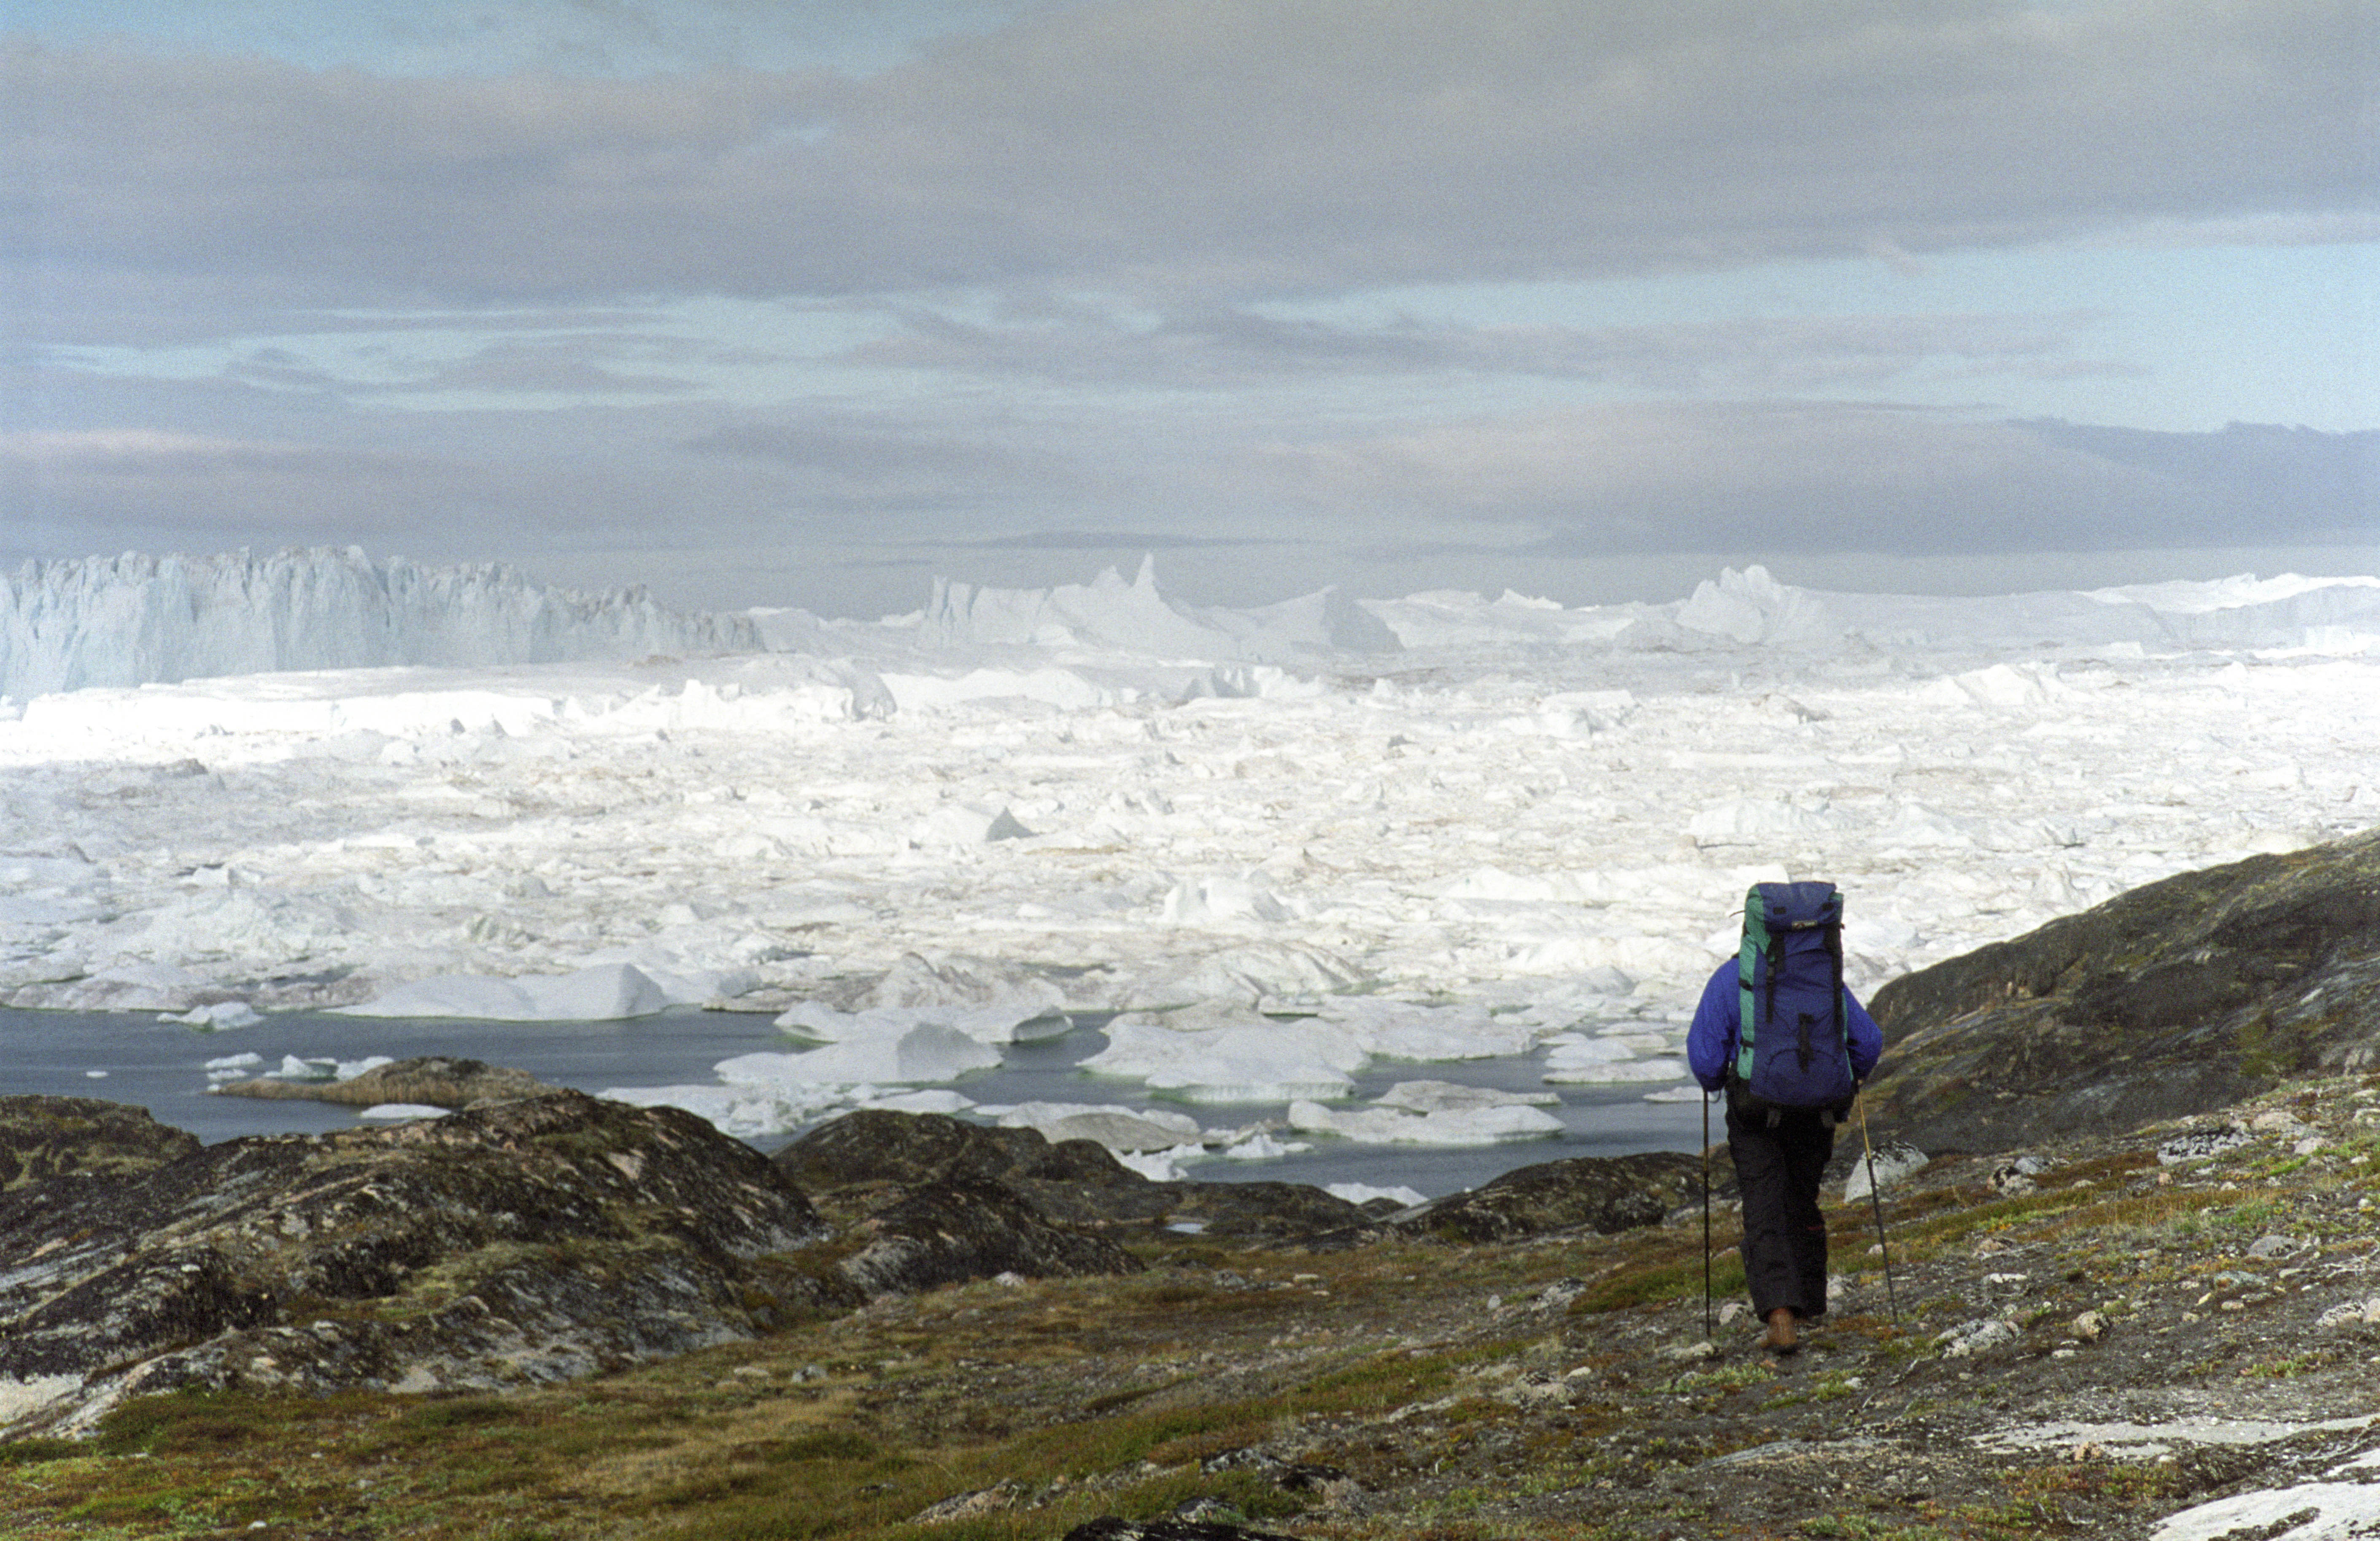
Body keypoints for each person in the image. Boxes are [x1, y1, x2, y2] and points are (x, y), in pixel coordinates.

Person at [1686, 951, 1883, 1354]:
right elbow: (1868, 1040)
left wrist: (1719, 1078)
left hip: (1755, 1112)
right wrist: (1849, 1078)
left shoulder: (1732, 978)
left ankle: (1780, 1317)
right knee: (1801, 1199)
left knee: (1764, 1205)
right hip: (1817, 1112)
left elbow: (1705, 1058)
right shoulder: (1820, 976)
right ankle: (1809, 1306)